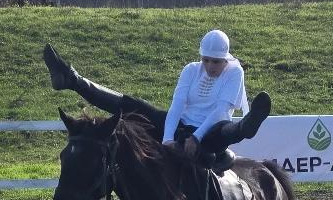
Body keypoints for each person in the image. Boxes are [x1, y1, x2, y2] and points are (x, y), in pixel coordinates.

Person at [44, 29, 271, 170]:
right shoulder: (191, 69)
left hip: (211, 129)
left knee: (225, 129)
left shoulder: (234, 72)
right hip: (183, 124)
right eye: (207, 60)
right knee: (135, 107)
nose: (210, 66)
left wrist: (196, 137)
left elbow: (221, 110)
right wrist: (167, 139)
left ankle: (247, 126)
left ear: (226, 60)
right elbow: (176, 106)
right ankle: (73, 80)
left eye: (216, 62)